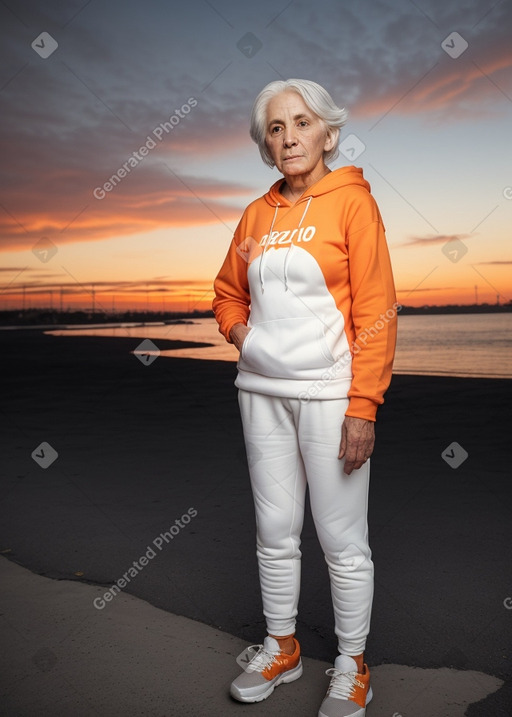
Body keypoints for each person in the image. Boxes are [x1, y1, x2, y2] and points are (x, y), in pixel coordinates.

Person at [213, 78, 397, 717]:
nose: (289, 137)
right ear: (265, 143)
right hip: (260, 393)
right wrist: (244, 337)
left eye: (301, 122)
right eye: (275, 127)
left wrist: (363, 406)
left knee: (341, 537)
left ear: (327, 132)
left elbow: (377, 309)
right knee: (274, 527)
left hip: (330, 395)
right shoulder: (255, 216)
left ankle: (351, 663)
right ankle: (282, 645)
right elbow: (226, 291)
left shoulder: (353, 204)